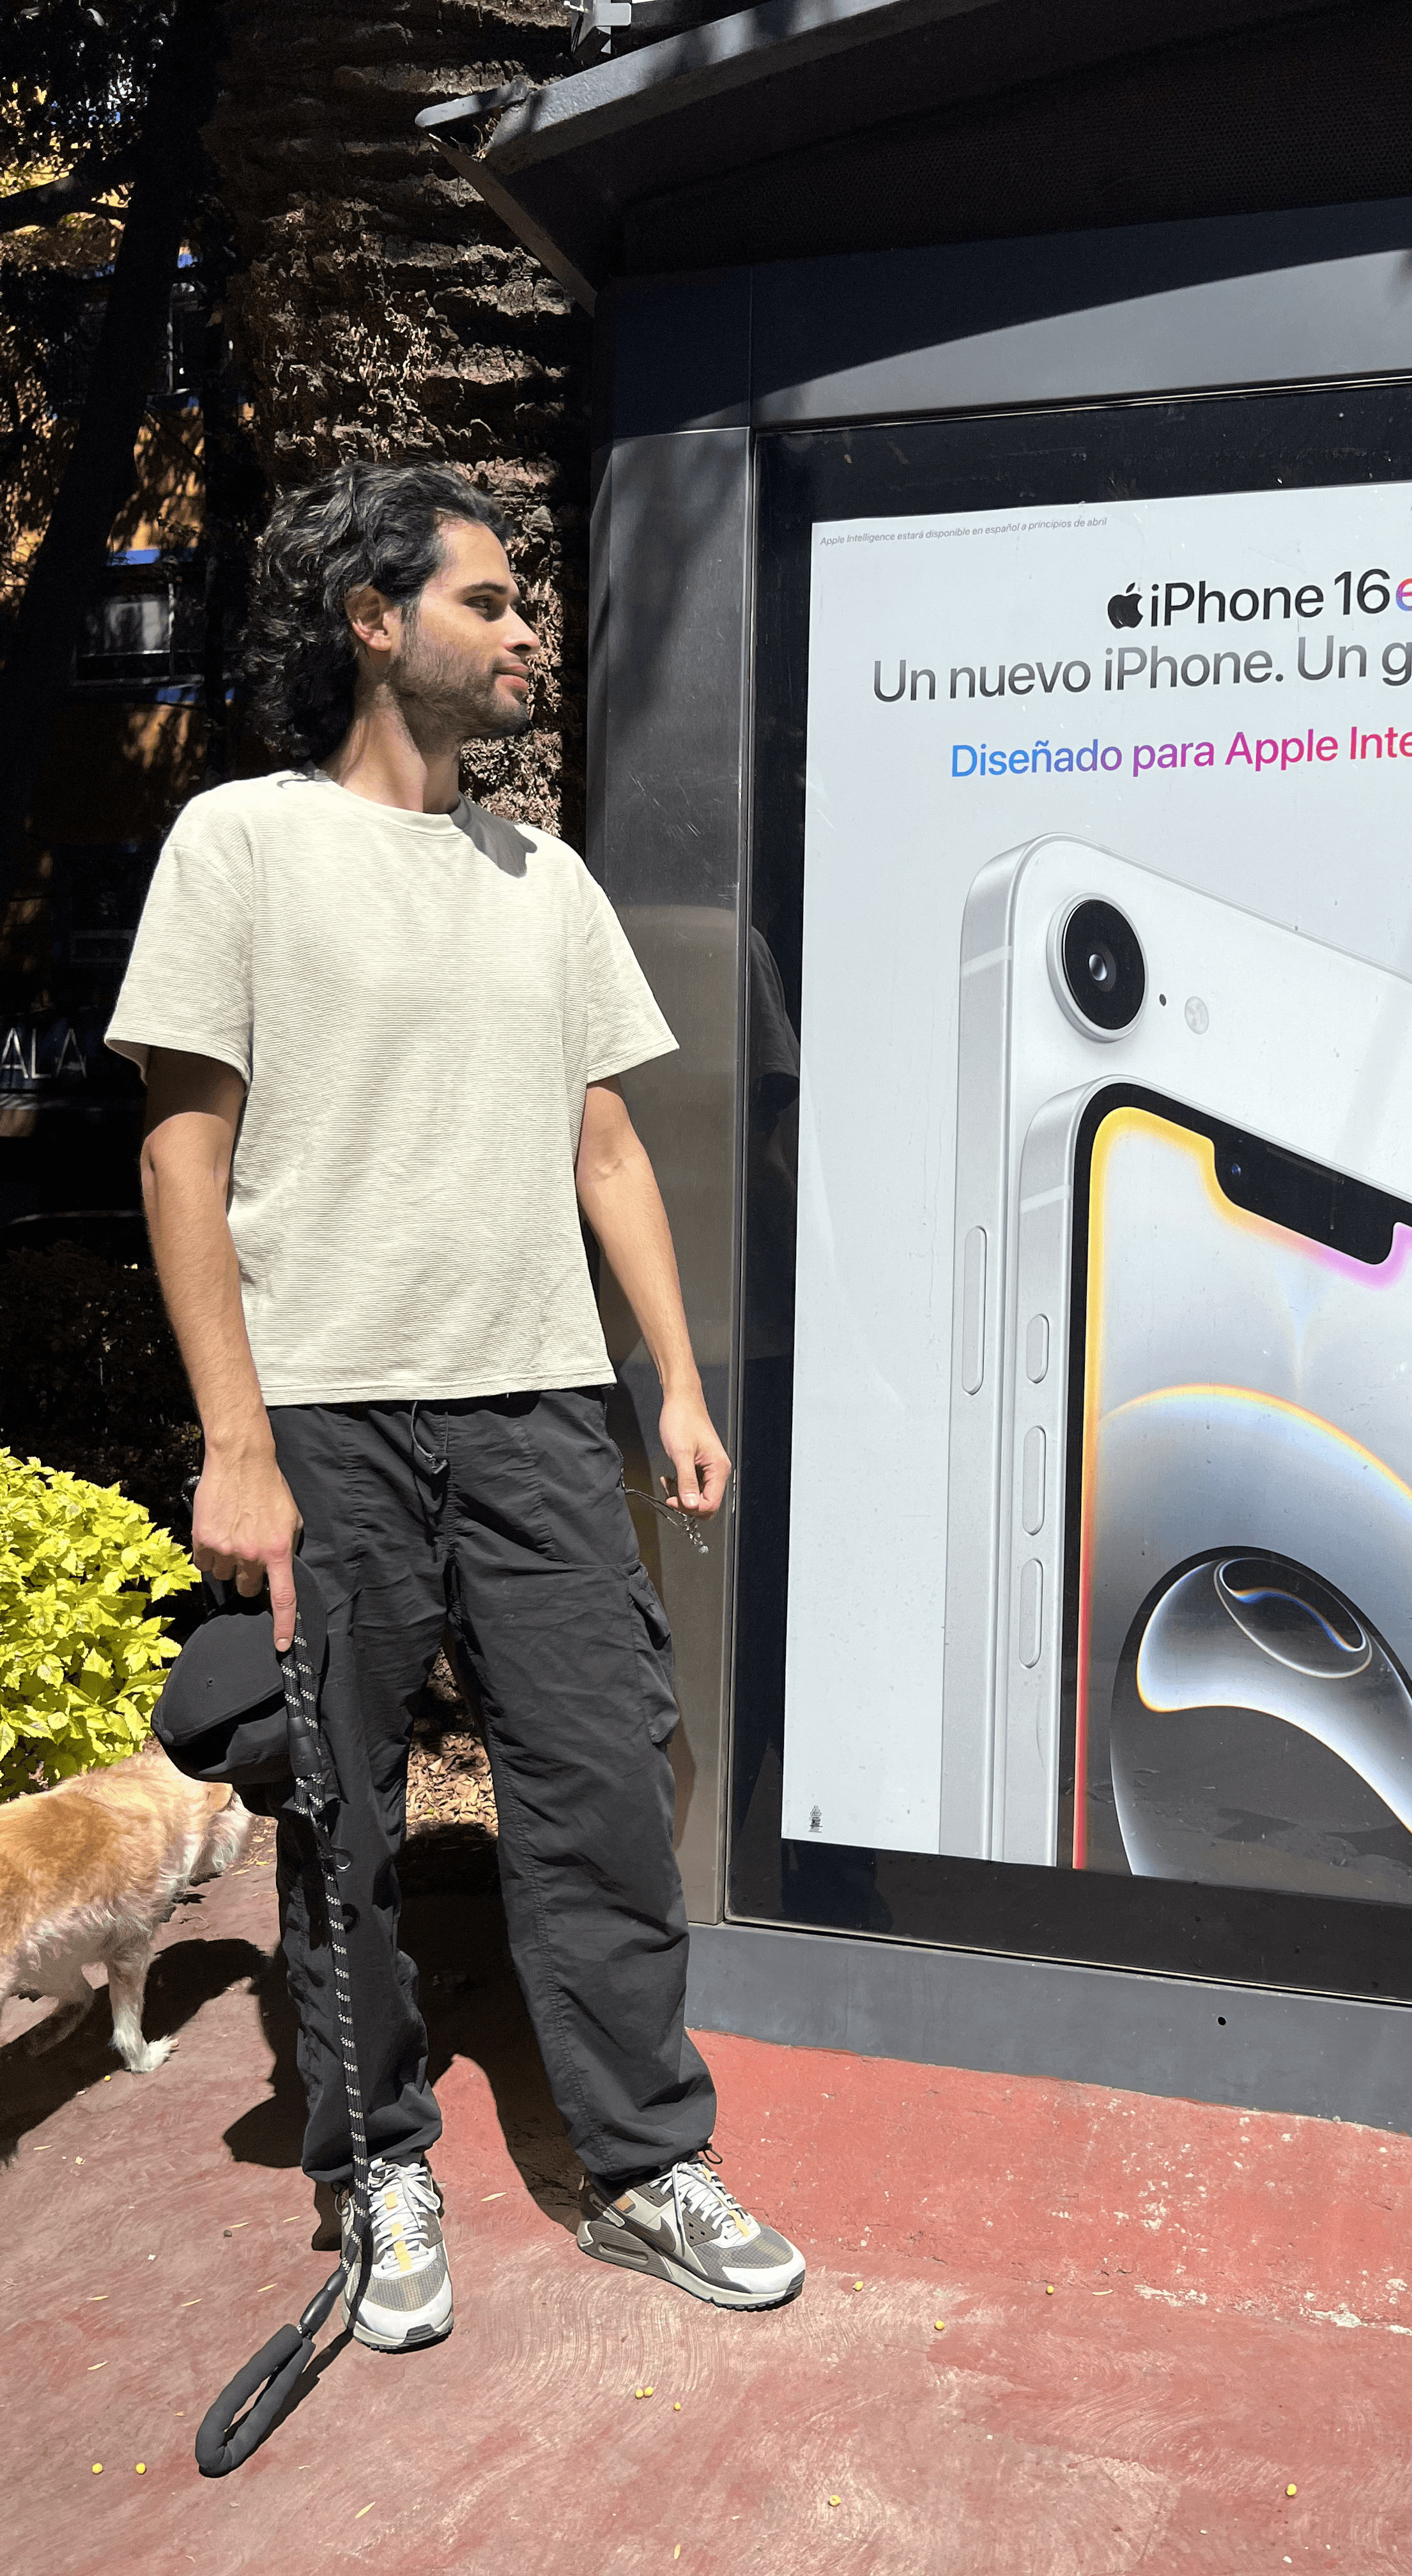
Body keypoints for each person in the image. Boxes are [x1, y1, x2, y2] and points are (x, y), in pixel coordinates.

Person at [107, 459, 805, 2349]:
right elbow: (187, 1156)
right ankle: (378, 2162)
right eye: (489, 602)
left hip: (539, 1413)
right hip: (326, 1407)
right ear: (373, 620)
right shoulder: (239, 845)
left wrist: (667, 1377)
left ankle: (647, 2166)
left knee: (597, 1788)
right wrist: (237, 1442)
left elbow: (607, 1153)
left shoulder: (544, 876)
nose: (523, 636)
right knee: (342, 1824)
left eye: (522, 606)